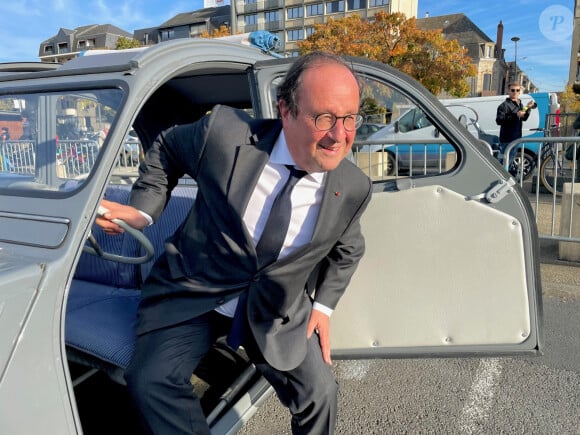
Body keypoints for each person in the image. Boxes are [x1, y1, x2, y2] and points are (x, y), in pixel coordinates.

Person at [96, 51, 373, 435]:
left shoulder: (353, 186)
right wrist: (143, 212)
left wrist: (323, 307)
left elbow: (349, 249)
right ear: (286, 110)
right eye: (324, 117)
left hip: (275, 307)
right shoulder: (224, 135)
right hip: (196, 290)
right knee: (150, 381)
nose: (338, 135)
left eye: (349, 119)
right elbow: (166, 147)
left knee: (320, 394)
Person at [495, 82, 536, 173]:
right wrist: (515, 115)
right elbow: (499, 120)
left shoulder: (519, 104)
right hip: (507, 138)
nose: (515, 92)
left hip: (516, 137)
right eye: (512, 90)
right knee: (505, 162)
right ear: (508, 91)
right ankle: (502, 180)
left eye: (517, 90)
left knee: (509, 160)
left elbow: (524, 118)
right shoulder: (504, 105)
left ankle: (505, 180)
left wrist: (528, 108)